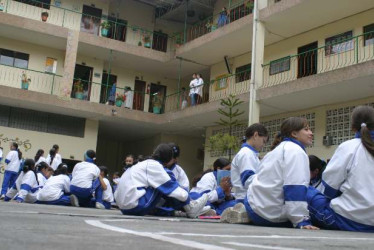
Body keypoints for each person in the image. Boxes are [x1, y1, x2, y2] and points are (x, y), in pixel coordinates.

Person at [222, 117, 319, 230]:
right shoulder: (296, 151)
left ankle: (244, 212)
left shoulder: (275, 151)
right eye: (306, 129)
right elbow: (295, 186)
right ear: (294, 133)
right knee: (315, 197)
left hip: (255, 204)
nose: (311, 133)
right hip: (266, 213)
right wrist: (301, 220)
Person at [307, 106, 374, 232]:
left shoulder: (349, 147)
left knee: (303, 190)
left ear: (353, 127)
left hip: (346, 220)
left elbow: (329, 188)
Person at [114, 143, 209, 218]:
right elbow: (180, 194)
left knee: (164, 186)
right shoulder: (155, 166)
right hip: (135, 206)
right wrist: (188, 200)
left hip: (124, 207)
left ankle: (189, 209)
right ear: (169, 159)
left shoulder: (143, 164)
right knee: (165, 187)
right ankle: (191, 208)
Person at [230, 123, 268, 202]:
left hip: (247, 197)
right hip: (246, 198)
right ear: (255, 135)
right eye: (263, 141)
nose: (263, 145)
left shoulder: (250, 154)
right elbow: (248, 179)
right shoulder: (246, 154)